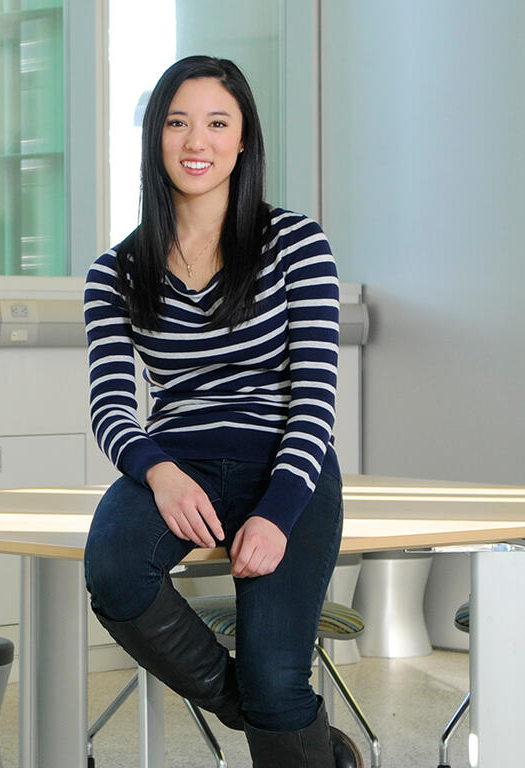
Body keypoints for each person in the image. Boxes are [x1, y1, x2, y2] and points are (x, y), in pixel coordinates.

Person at [82, 55, 353, 767]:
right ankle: (292, 730)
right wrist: (160, 473)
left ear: (242, 140)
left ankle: (278, 714)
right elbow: (111, 405)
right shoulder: (114, 273)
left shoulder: (296, 244)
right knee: (112, 570)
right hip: (180, 462)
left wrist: (280, 509)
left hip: (286, 464)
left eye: (216, 123)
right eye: (177, 122)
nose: (195, 141)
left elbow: (316, 398)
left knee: (277, 679)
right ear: (154, 137)